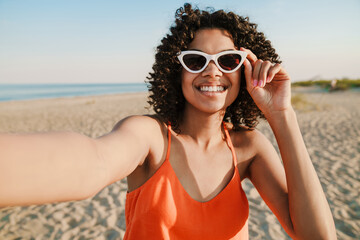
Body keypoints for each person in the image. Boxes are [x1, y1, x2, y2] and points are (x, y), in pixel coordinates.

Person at [0, 3, 336, 240]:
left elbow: (317, 236)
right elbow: (92, 163)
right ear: (176, 72)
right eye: (196, 59)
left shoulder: (249, 148)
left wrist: (282, 116)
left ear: (245, 70)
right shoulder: (151, 137)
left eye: (228, 59)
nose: (212, 70)